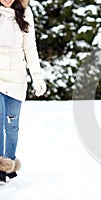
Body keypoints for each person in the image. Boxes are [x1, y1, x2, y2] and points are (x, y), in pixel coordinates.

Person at [0, 0, 47, 184]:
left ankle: (9, 162)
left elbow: (30, 48)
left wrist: (37, 76)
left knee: (12, 125)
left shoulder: (26, 14)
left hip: (17, 79)